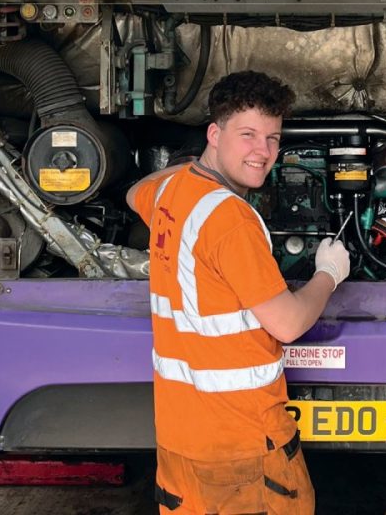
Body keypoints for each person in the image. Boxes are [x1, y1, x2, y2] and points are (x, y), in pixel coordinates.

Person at [126, 70, 351, 514]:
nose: (263, 153)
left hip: (180, 442)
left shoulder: (170, 191)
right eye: (247, 135)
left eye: (273, 138)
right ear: (214, 133)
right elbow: (286, 323)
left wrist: (194, 164)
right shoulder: (231, 220)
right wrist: (328, 273)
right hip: (242, 447)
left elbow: (135, 192)